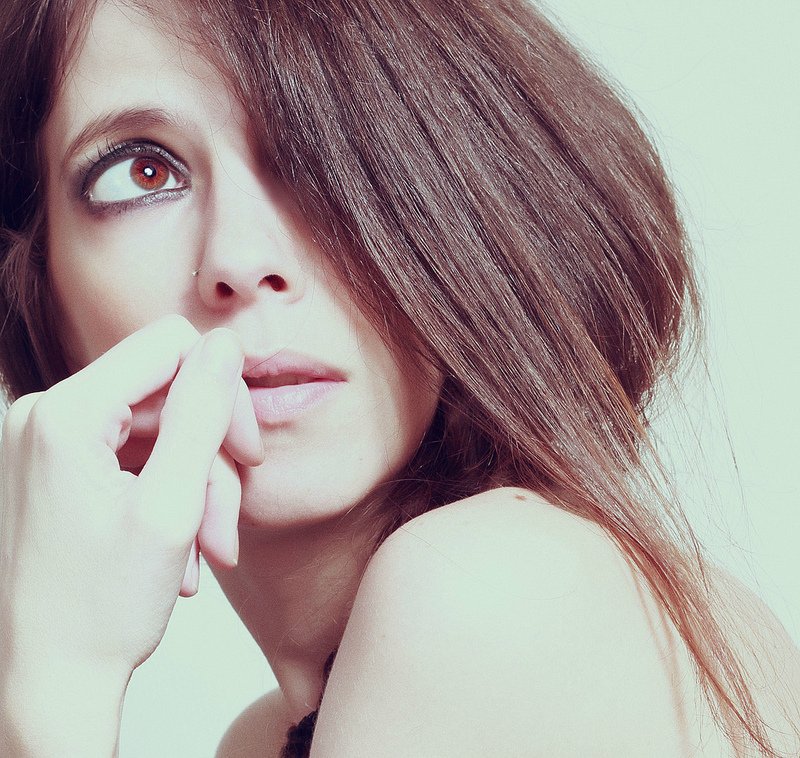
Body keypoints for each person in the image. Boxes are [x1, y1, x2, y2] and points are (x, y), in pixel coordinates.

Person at [0, 0, 798, 756]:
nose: (240, 261)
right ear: (42, 293)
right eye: (141, 173)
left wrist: (54, 690)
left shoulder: (492, 590)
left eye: (318, 150)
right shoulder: (267, 735)